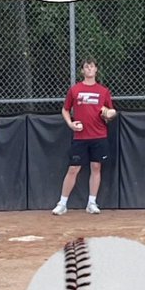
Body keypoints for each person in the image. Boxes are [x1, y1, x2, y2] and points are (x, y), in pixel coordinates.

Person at [52, 58, 116, 216]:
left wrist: (108, 115)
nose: (89, 69)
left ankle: (92, 203)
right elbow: (65, 109)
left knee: (96, 167)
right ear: (82, 71)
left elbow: (109, 112)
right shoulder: (75, 90)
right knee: (73, 168)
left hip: (99, 135)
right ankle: (62, 203)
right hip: (80, 136)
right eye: (86, 67)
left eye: (92, 66)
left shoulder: (103, 91)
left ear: (96, 70)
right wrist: (70, 124)